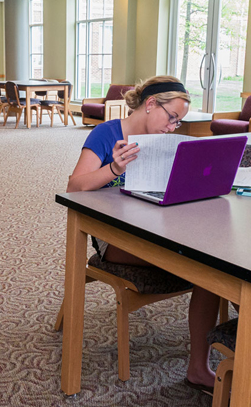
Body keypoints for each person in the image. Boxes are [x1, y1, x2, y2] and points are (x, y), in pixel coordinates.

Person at [67, 75, 219, 394]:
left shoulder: (163, 140)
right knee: (209, 266)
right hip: (114, 236)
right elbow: (74, 187)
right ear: (151, 104)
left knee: (217, 265)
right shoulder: (107, 133)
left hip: (156, 223)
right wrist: (114, 169)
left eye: (179, 123)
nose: (172, 127)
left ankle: (200, 367)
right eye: (172, 118)